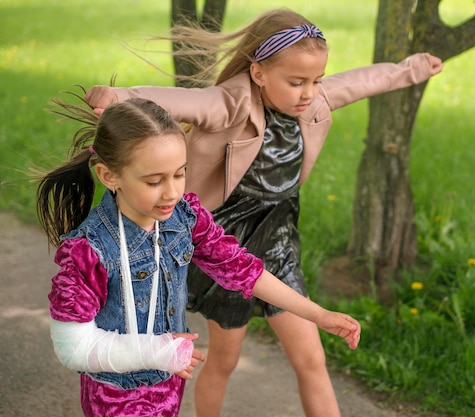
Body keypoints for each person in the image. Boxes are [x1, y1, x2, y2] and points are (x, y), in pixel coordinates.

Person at [84, 8, 443, 417]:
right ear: (258, 74)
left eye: (316, 80)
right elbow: (185, 102)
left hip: (279, 244)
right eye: (296, 82)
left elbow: (361, 81)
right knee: (224, 359)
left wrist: (413, 68)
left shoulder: (311, 102)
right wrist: (120, 97)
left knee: (312, 358)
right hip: (230, 247)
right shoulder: (232, 104)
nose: (309, 92)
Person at [36, 96, 360, 417]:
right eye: (154, 181)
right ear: (109, 176)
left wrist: (317, 314)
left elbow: (242, 269)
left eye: (180, 174)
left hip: (169, 386)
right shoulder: (90, 249)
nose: (172, 192)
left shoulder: (184, 217)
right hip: (116, 397)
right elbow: (72, 346)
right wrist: (158, 353)